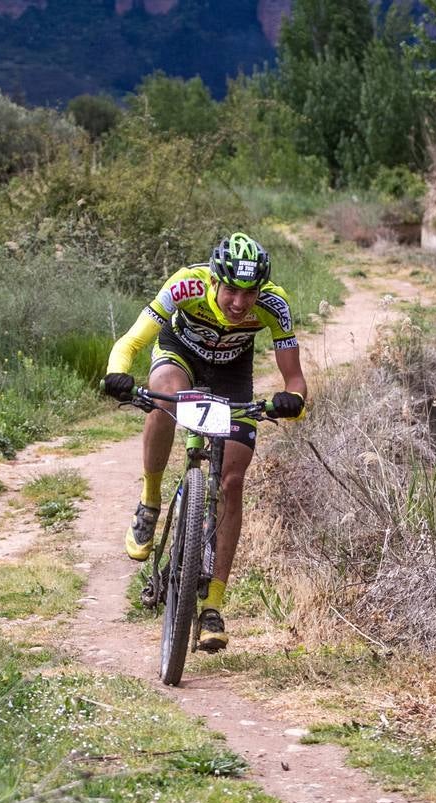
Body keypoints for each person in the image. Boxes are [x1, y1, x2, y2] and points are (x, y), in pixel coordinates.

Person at [102, 232, 307, 652]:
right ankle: (150, 501)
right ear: (214, 280)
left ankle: (213, 605)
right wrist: (117, 372)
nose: (238, 302)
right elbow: (132, 341)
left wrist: (294, 401)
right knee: (164, 398)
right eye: (231, 289)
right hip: (182, 355)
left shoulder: (275, 305)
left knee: (232, 483)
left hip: (233, 375)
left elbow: (295, 379)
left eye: (248, 293)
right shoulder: (185, 285)